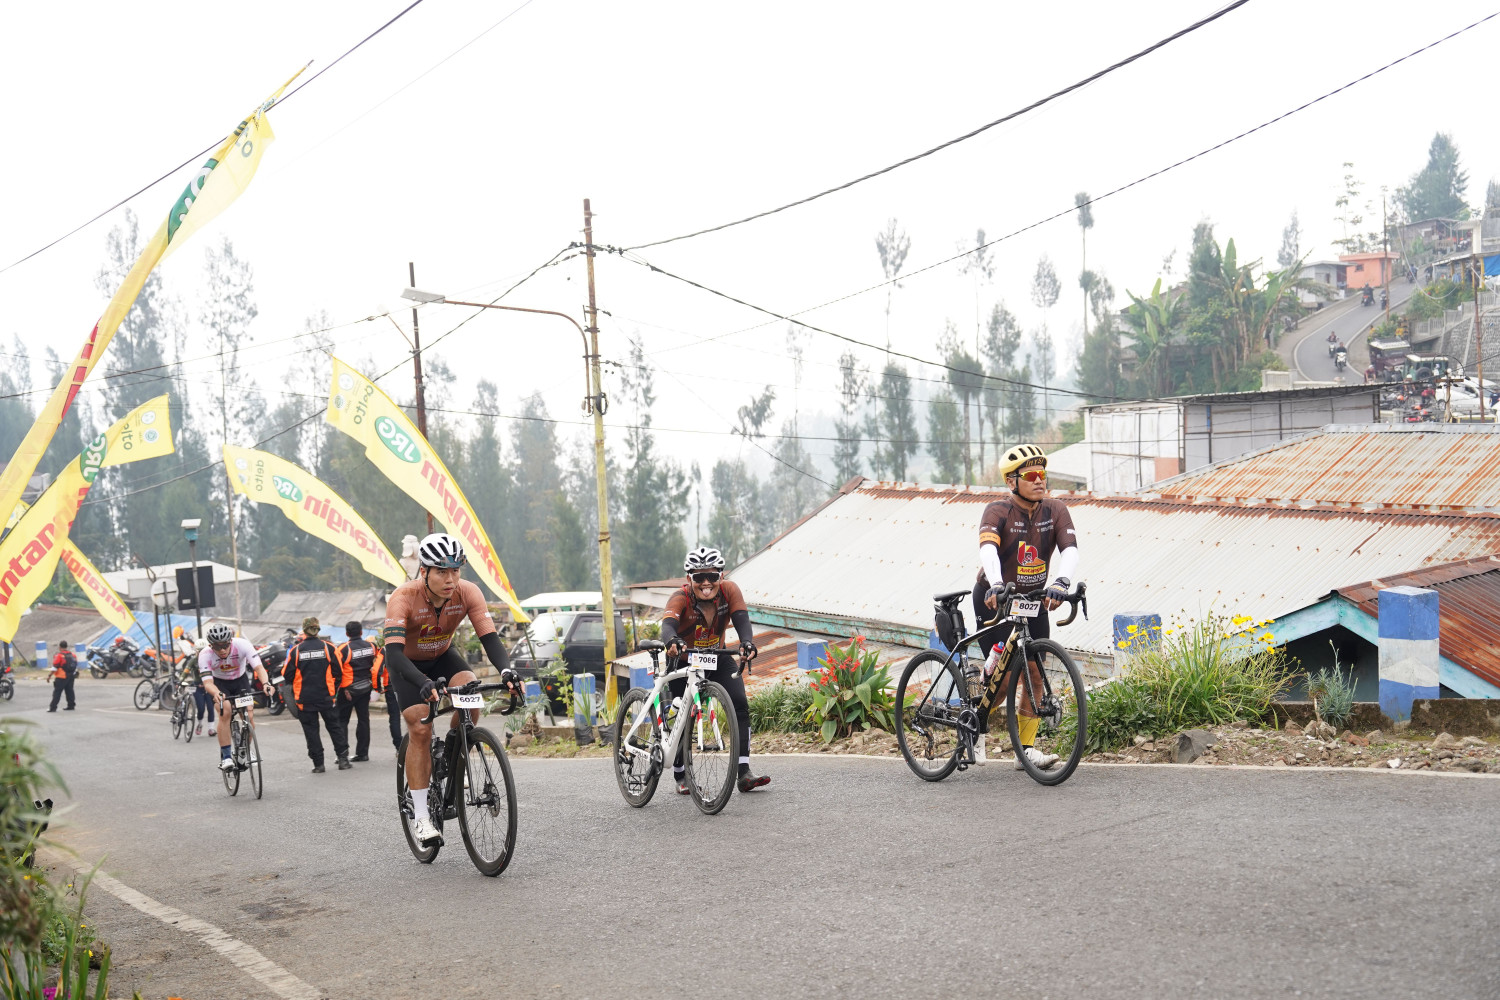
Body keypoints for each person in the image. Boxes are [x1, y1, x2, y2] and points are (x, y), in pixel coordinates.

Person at [383, 532, 522, 847]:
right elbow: (393, 654)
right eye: (441, 572)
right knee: (420, 728)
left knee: (470, 697)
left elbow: (489, 638)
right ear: (424, 571)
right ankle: (422, 818)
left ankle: (451, 751)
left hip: (443, 656)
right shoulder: (403, 597)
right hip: (407, 664)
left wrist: (507, 671)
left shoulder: (468, 592)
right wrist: (422, 682)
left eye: (455, 571)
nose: (450, 579)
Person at [973, 444, 1081, 770]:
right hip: (996, 598)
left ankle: (1026, 750)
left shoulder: (1055, 510)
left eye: (1042, 474)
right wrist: (996, 583)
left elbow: (1070, 550)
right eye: (1031, 475)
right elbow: (988, 551)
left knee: (1034, 675)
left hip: (1033, 601)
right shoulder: (997, 511)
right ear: (1012, 481)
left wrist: (1061, 582)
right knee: (1004, 682)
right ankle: (975, 724)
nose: (1039, 481)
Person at [660, 546, 766, 795]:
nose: (706, 583)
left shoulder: (730, 591)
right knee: (683, 715)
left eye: (712, 576)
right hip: (684, 661)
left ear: (721, 576)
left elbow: (742, 620)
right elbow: (667, 626)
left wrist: (747, 643)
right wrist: (672, 640)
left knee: (739, 703)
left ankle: (744, 772)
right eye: (699, 577)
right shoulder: (680, 597)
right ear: (689, 579)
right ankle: (680, 775)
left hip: (716, 657)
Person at [283, 617, 353, 773]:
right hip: (326, 696)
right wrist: (332, 690)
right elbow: (338, 672)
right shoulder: (329, 648)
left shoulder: (296, 651)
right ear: (318, 630)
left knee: (311, 731)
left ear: (304, 630)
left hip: (304, 699)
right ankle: (343, 760)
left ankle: (318, 765)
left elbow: (287, 674)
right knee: (335, 728)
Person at [198, 623, 271, 772]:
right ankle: (226, 757)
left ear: (230, 641)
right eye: (217, 647)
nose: (222, 650)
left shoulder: (242, 645)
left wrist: (266, 683)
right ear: (211, 646)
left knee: (249, 714)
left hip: (240, 681)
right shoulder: (205, 655)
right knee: (225, 711)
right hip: (219, 684)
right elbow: (208, 683)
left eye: (225, 645)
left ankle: (246, 749)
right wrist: (217, 693)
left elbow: (259, 668)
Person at [336, 620, 383, 762]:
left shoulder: (343, 649)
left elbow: (336, 671)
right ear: (361, 632)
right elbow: (377, 664)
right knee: (363, 720)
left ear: (347, 633)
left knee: (342, 721)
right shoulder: (371, 646)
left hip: (348, 691)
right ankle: (363, 753)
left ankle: (343, 754)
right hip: (365, 688)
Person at [48, 641, 77, 711]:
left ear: (60, 647)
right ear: (66, 646)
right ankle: (71, 705)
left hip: (61, 677)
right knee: (70, 691)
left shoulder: (59, 656)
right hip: (71, 676)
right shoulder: (73, 655)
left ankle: (53, 707)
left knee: (57, 692)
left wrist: (49, 676)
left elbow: (55, 667)